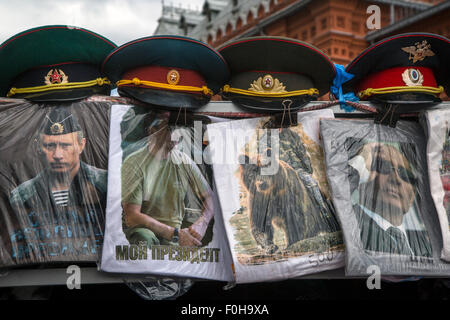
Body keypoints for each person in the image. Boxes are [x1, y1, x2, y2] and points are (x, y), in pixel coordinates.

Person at [121, 113, 214, 248]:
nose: (177, 134)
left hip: (174, 236)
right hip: (143, 230)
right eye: (170, 129)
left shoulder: (183, 160)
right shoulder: (134, 163)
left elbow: (210, 197)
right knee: (145, 238)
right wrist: (175, 234)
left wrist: (202, 223)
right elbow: (132, 216)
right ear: (152, 130)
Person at [348, 141, 433, 257]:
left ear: (413, 194)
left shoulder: (427, 243)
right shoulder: (350, 220)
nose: (396, 179)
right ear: (364, 175)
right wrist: (361, 160)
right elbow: (335, 193)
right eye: (384, 166)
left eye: (405, 174)